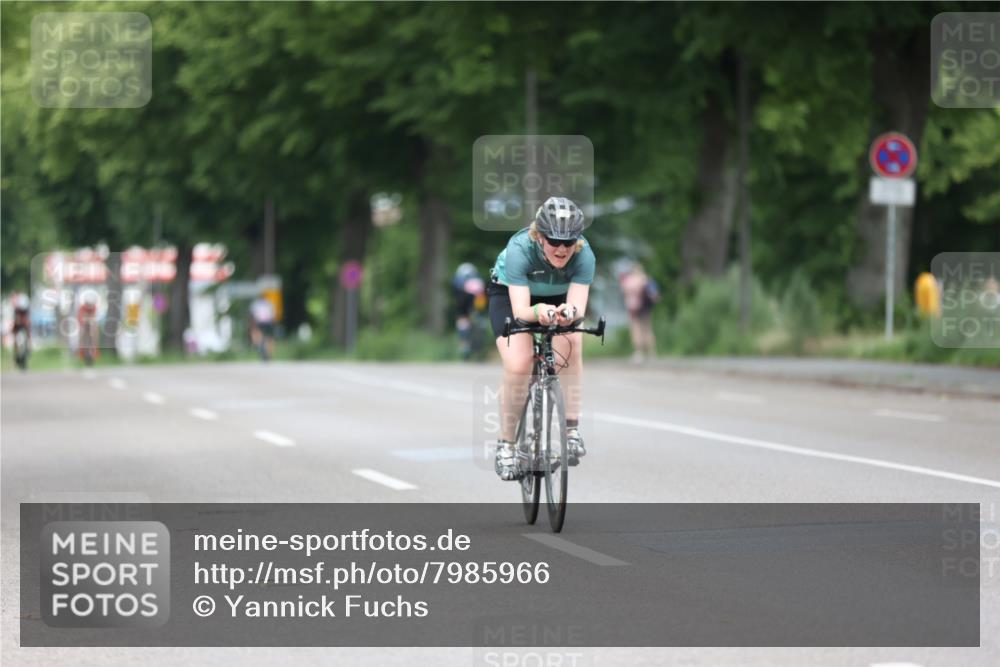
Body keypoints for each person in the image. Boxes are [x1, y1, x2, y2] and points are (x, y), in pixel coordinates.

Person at [487, 196, 595, 481]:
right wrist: (540, 311)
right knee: (520, 364)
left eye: (569, 242)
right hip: (512, 296)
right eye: (553, 241)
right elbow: (522, 311)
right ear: (539, 235)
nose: (562, 249)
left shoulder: (585, 256)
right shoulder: (520, 249)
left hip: (556, 297)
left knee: (571, 342)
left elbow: (577, 307)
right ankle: (506, 445)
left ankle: (571, 429)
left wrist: (568, 312)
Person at [619, 262, 658, 362]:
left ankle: (639, 352)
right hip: (645, 308)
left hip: (633, 308)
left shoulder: (629, 280)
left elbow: (624, 291)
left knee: (636, 330)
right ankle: (651, 352)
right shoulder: (646, 279)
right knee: (647, 329)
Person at [250, 294, 276, 360]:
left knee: (256, 333)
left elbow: (252, 315)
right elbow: (272, 315)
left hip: (259, 323)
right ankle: (269, 352)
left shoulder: (255, 304)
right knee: (270, 337)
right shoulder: (269, 304)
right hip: (268, 322)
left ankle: (257, 344)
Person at [11, 294, 31, 370]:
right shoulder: (17, 312)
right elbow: (15, 325)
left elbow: (27, 325)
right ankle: (16, 358)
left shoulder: (26, 314)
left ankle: (24, 362)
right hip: (18, 329)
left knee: (25, 346)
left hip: (24, 330)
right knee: (17, 343)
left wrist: (29, 338)